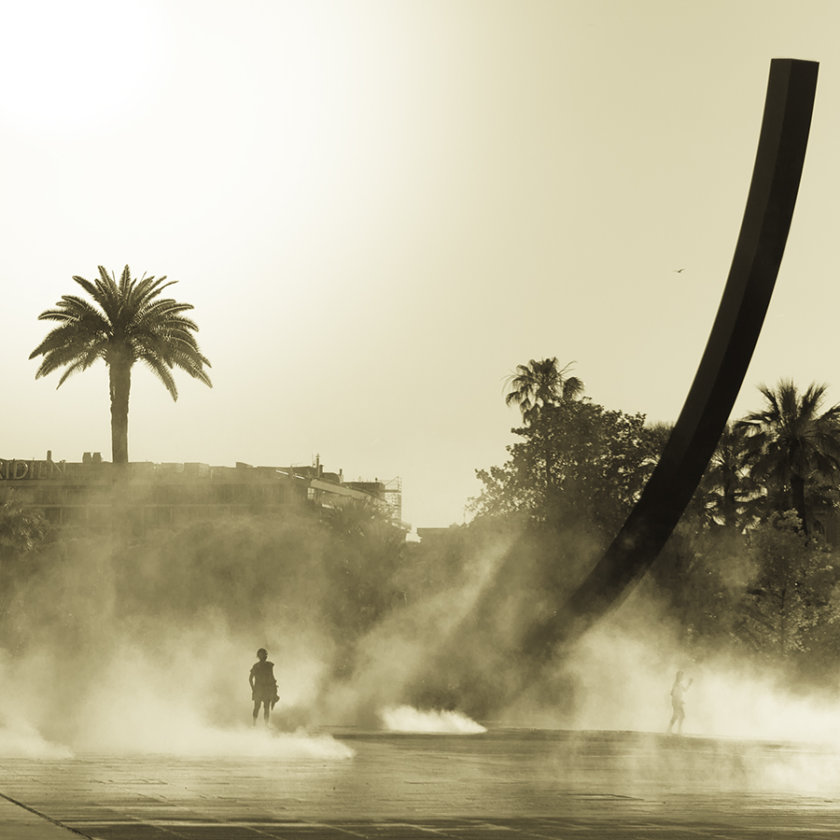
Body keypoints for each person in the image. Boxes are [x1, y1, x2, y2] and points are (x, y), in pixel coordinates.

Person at [249, 647, 278, 726]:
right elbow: (250, 678)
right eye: (261, 655)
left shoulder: (269, 665)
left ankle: (266, 725)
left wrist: (274, 689)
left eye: (264, 655)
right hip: (259, 689)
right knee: (257, 707)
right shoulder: (256, 666)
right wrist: (253, 689)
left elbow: (272, 677)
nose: (263, 657)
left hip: (267, 689)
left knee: (266, 708)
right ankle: (254, 724)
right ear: (259, 656)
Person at [667, 670, 693, 734]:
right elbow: (672, 693)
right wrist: (678, 699)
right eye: (681, 676)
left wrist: (689, 684)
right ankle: (672, 729)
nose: (682, 677)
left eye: (682, 676)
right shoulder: (676, 683)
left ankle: (677, 729)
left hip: (677, 701)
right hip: (676, 702)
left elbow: (685, 690)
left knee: (680, 716)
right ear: (678, 676)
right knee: (678, 715)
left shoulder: (679, 684)